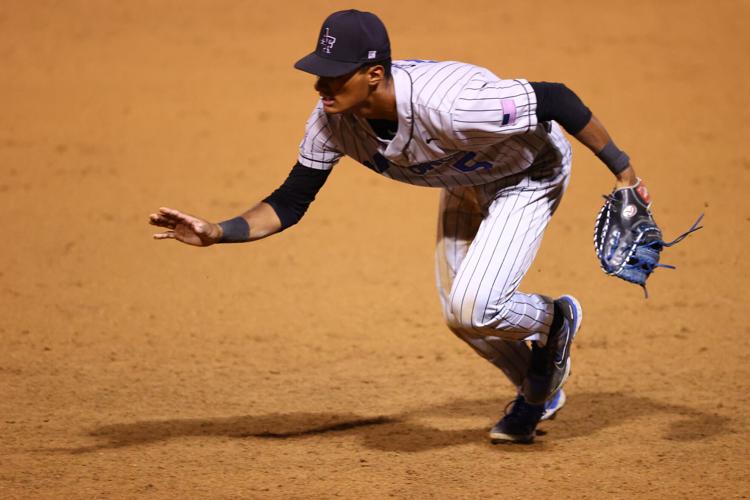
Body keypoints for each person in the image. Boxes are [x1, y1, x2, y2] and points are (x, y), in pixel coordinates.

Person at [149, 9, 641, 443]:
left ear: (374, 74)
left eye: (334, 76)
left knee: (476, 305)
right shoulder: (331, 124)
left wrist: (624, 173)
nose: (320, 87)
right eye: (319, 73)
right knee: (462, 316)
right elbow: (290, 201)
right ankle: (537, 391)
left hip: (529, 172)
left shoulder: (454, 104)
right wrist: (217, 231)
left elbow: (555, 97)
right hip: (466, 180)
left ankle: (554, 321)